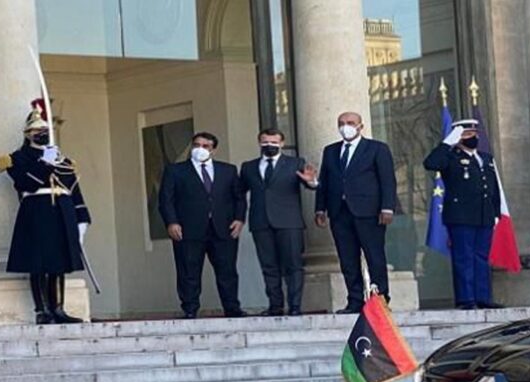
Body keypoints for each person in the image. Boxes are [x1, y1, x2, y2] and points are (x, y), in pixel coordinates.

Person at [0, 100, 91, 324]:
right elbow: (26, 183)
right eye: (38, 131)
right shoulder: (16, 159)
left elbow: (74, 190)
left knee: (60, 263)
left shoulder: (62, 160)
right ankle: (42, 310)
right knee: (38, 262)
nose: (42, 134)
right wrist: (45, 164)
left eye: (45, 130)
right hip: (37, 211)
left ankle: (58, 308)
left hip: (62, 212)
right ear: (28, 134)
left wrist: (82, 218)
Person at [314, 112, 397, 314]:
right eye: (341, 123)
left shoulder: (377, 148)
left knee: (374, 256)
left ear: (361, 126)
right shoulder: (331, 151)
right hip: (339, 212)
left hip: (369, 212)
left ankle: (380, 300)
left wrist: (387, 207)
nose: (346, 127)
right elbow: (325, 181)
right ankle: (355, 300)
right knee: (348, 259)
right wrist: (320, 208)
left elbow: (387, 180)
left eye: (350, 123)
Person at [159, 132, 247, 319]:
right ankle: (190, 309)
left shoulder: (228, 170)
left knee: (227, 271)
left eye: (206, 146)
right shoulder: (175, 171)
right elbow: (166, 199)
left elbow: (239, 198)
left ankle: (232, 308)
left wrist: (239, 219)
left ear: (213, 150)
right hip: (188, 229)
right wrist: (172, 222)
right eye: (197, 145)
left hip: (223, 228)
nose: (200, 149)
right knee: (188, 270)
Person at [423, 119, 501, 310]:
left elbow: (493, 187)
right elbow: (431, 163)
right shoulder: (450, 157)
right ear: (457, 137)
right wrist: (446, 144)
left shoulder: (485, 158)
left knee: (481, 257)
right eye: (467, 134)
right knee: (464, 257)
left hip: (484, 215)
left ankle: (483, 297)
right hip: (461, 216)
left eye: (474, 133)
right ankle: (466, 299)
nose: (472, 137)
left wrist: (495, 212)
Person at [240, 128, 318, 316]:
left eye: (274, 142)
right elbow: (239, 193)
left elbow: (310, 184)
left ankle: (295, 306)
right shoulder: (248, 167)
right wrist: (238, 217)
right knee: (269, 266)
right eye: (265, 142)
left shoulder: (295, 163)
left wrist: (312, 181)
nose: (270, 145)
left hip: (289, 221)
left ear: (282, 143)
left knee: (293, 265)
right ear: (259, 142)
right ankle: (275, 306)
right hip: (260, 222)